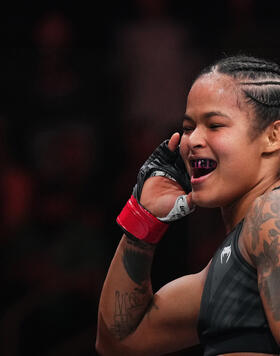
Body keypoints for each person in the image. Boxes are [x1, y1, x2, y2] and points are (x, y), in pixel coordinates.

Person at [96, 55, 280, 355]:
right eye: (189, 126)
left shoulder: (273, 213)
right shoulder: (229, 261)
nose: (192, 140)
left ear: (273, 137)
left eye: (215, 125)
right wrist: (144, 221)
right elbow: (119, 340)